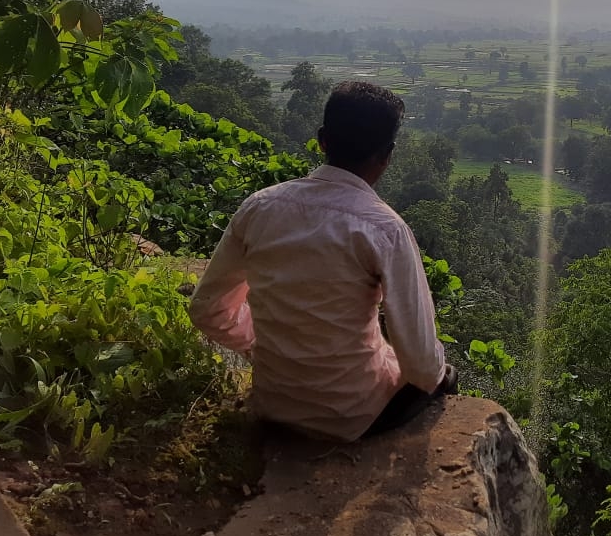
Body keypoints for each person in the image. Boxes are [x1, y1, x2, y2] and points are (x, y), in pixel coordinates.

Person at [189, 81, 457, 442]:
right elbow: (423, 368)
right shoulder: (384, 229)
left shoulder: (260, 207)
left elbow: (207, 311)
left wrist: (267, 343)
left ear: (322, 140)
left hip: (273, 405)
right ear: (387, 155)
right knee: (445, 376)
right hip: (354, 419)